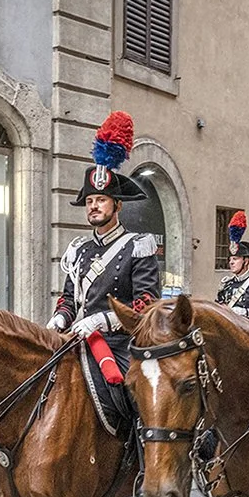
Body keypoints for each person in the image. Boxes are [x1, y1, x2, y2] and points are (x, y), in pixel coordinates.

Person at [47, 111, 160, 380]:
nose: (94, 206)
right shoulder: (79, 250)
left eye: (101, 200)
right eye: (89, 201)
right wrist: (61, 318)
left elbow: (146, 303)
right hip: (77, 339)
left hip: (120, 345)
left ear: (117, 205)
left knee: (133, 399)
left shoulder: (137, 246)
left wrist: (103, 320)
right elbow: (68, 298)